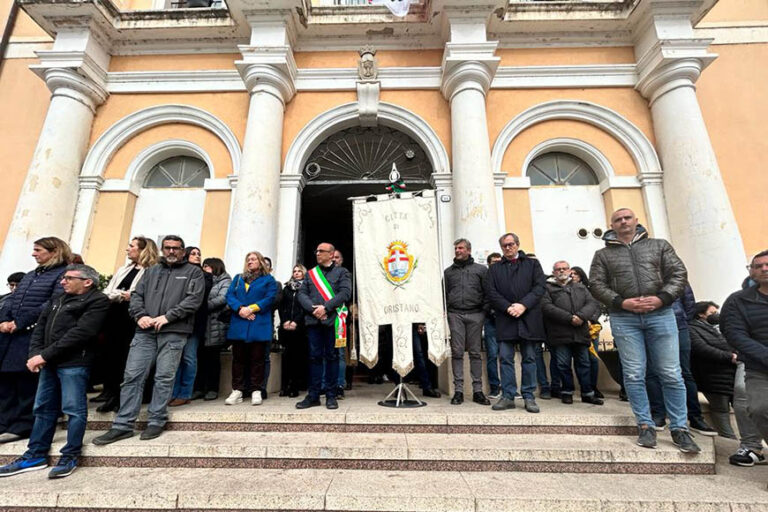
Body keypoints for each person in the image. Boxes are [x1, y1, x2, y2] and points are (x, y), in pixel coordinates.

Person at [589, 208, 699, 453]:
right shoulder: (603, 255)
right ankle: (645, 424)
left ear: (637, 221)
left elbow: (678, 274)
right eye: (618, 219)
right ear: (612, 225)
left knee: (671, 372)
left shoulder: (659, 246)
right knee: (634, 373)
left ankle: (680, 428)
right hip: (624, 317)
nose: (623, 222)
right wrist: (620, 302)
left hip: (660, 314)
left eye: (627, 218)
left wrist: (662, 298)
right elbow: (596, 284)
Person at [92, 235, 205, 444]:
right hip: (145, 331)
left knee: (164, 377)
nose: (172, 252)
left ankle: (156, 419)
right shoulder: (152, 271)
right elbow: (136, 295)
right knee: (132, 376)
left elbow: (193, 300)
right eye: (168, 248)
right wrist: (140, 316)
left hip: (174, 331)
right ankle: (123, 425)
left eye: (176, 248)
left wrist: (169, 317)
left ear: (183, 251)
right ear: (162, 249)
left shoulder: (193, 273)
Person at [0, 265, 109, 478]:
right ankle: (36, 453)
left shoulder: (97, 301)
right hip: (48, 362)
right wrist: (35, 354)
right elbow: (40, 328)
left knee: (74, 409)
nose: (62, 281)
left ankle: (70, 454)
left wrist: (44, 355)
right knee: (42, 408)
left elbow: (81, 333)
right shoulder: (58, 299)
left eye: (69, 278)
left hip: (74, 363)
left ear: (87, 282)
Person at [0, 237, 72, 444]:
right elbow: (13, 299)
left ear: (53, 251)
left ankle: (23, 425)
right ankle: (4, 423)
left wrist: (20, 322)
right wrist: (4, 320)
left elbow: (51, 304)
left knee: (25, 383)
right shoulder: (32, 274)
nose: (34, 254)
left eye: (38, 250)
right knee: (5, 383)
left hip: (32, 335)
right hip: (11, 337)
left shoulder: (62, 274)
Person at [94, 236, 158, 413]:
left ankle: (125, 397)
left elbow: (138, 294)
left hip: (134, 317)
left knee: (126, 357)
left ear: (143, 250)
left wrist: (124, 295)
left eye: (132, 246)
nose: (128, 249)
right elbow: (109, 291)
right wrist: (122, 294)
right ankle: (112, 394)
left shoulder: (151, 271)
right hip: (114, 315)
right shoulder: (124, 269)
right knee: (111, 355)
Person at [485, 232, 546, 413]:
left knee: (529, 358)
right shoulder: (494, 269)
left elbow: (540, 287)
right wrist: (508, 307)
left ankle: (528, 396)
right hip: (506, 319)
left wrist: (523, 305)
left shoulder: (532, 264)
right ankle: (508, 396)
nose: (508, 248)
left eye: (511, 244)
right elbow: (491, 291)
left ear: (517, 245)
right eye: (504, 245)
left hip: (528, 318)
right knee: (505, 359)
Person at [647, 284, 716, 435]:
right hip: (650, 325)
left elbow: (689, 303)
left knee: (684, 372)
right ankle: (658, 414)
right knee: (652, 371)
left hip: (678, 324)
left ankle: (694, 417)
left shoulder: (676, 274)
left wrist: (682, 318)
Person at [721, 250, 768, 465]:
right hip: (758, 367)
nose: (764, 269)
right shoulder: (737, 301)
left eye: (767, 264)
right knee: (758, 408)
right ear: (751, 272)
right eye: (758, 266)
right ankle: (751, 445)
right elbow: (734, 334)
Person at [296, 242, 351, 410]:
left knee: (332, 357)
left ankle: (331, 395)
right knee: (314, 357)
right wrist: (314, 309)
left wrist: (326, 308)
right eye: (317, 250)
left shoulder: (342, 272)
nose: (317, 253)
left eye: (321, 251)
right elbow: (302, 293)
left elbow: (345, 293)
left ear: (331, 254)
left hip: (332, 321)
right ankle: (313, 395)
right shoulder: (311, 274)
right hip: (314, 321)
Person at [541, 260, 604, 406]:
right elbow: (546, 307)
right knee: (563, 364)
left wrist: (581, 316)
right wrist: (569, 318)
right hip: (560, 334)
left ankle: (587, 393)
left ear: (570, 271)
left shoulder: (580, 287)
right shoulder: (547, 288)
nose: (562, 271)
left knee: (584, 363)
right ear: (553, 272)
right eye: (558, 269)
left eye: (564, 268)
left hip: (580, 333)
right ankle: (567, 392)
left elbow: (592, 303)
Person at [222, 251, 277, 406]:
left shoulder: (269, 280)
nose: (250, 262)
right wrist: (240, 309)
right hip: (239, 322)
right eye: (248, 259)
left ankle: (256, 390)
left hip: (258, 323)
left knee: (257, 359)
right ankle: (237, 390)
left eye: (253, 259)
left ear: (260, 262)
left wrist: (251, 308)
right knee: (238, 359)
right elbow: (230, 296)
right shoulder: (238, 279)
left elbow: (269, 298)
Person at [444, 238, 490, 406]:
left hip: (476, 314)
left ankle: (478, 390)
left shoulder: (481, 270)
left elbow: (487, 291)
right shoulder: (448, 272)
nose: (458, 251)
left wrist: (484, 311)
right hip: (455, 314)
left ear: (469, 250)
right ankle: (458, 391)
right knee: (456, 352)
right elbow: (445, 292)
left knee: (475, 352)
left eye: (461, 248)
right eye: (456, 248)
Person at [689, 301, 738, 438]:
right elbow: (702, 349)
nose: (716, 315)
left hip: (732, 375)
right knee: (721, 409)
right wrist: (729, 356)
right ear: (700, 314)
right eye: (712, 313)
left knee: (745, 410)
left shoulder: (720, 328)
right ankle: (730, 441)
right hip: (712, 377)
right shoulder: (692, 329)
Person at [169, 246, 211, 406]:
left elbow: (200, 295)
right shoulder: (177, 272)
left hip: (195, 321)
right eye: (193, 253)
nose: (197, 256)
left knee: (189, 358)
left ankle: (185, 393)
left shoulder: (205, 275)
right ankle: (173, 392)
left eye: (199, 254)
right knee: (174, 359)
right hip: (176, 320)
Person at [195, 258, 231, 401]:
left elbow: (223, 298)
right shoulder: (201, 280)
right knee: (199, 357)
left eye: (207, 266)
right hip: (201, 324)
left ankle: (211, 388)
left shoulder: (225, 281)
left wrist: (203, 307)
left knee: (212, 359)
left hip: (215, 323)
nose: (204, 268)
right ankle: (198, 388)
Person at [278, 264, 309, 398]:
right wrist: (285, 320)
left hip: (300, 327)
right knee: (286, 357)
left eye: (299, 271)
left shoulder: (307, 288)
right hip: (286, 327)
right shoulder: (287, 288)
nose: (296, 273)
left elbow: (305, 307)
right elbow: (282, 306)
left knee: (298, 357)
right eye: (294, 271)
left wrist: (296, 321)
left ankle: (295, 386)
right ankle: (285, 386)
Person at [485, 252, 502, 399]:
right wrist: (491, 311)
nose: (496, 264)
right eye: (493, 262)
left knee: (507, 356)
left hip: (507, 320)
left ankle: (510, 387)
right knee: (492, 355)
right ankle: (494, 387)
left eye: (499, 261)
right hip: (491, 320)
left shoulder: (507, 276)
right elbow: (483, 298)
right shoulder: (485, 277)